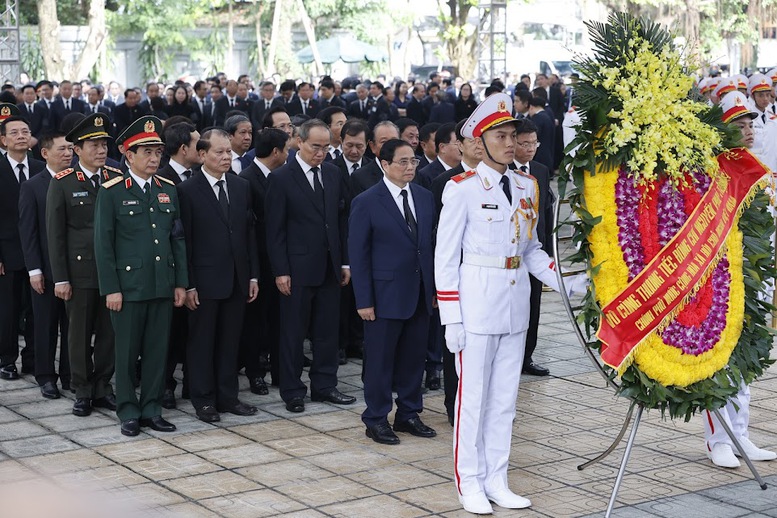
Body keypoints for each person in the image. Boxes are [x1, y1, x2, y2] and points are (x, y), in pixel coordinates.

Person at [435, 93, 586, 513]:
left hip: (515, 303)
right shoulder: (461, 189)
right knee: (473, 400)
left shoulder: (526, 185)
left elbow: (532, 248)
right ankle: (470, 482)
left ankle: (497, 478)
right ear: (480, 142)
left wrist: (565, 282)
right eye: (499, 136)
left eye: (511, 135)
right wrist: (452, 317)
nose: (508, 142)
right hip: (476, 306)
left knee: (505, 400)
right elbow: (444, 257)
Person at [93, 116, 187, 436]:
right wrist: (111, 288)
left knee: (157, 352)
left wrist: (180, 283)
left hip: (162, 283)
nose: (153, 158)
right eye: (145, 152)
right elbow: (103, 244)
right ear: (129, 156)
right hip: (129, 287)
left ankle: (152, 409)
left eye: (157, 152)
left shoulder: (168, 190)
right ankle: (128, 410)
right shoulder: (113, 191)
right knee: (127, 352)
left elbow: (177, 240)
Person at [703, 90, 777, 468]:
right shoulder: (712, 170)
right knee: (718, 356)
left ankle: (741, 434)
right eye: (739, 125)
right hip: (720, 276)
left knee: (745, 355)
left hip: (754, 273)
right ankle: (718, 438)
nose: (748, 130)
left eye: (750, 124)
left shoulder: (756, 166)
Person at [349, 139, 437, 445]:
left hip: (420, 292)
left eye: (413, 161)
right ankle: (375, 418)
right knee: (380, 361)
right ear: (384, 165)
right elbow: (359, 255)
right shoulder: (367, 201)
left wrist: (435, 289)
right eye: (403, 162)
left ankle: (409, 413)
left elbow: (429, 247)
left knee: (414, 358)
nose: (410, 167)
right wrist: (364, 300)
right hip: (383, 296)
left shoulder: (424, 197)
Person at [265, 119, 354, 413]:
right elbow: (274, 230)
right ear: (298, 142)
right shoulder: (281, 178)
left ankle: (325, 385)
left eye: (326, 147)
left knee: (327, 330)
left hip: (329, 265)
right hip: (296, 268)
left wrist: (344, 261)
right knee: (293, 332)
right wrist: (281, 271)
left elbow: (340, 219)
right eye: (315, 147)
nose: (321, 153)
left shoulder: (332, 172)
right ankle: (292, 390)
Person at [178, 128, 260, 423]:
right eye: (219, 152)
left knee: (230, 342)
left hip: (237, 279)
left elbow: (248, 234)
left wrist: (252, 276)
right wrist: (188, 284)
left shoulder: (240, 187)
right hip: (204, 282)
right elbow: (183, 241)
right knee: (202, 342)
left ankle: (228, 397)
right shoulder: (187, 190)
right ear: (202, 155)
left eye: (229, 152)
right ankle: (203, 399)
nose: (226, 157)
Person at [47, 113, 121, 417]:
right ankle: (82, 389)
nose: (101, 150)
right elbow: (56, 235)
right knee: (78, 335)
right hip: (80, 272)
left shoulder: (116, 178)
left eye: (104, 144)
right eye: (94, 145)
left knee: (109, 333)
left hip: (113, 272)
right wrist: (60, 278)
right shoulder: (63, 183)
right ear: (77, 150)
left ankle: (104, 386)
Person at [430, 119, 483, 425]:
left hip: (490, 280)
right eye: (471, 139)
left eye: (482, 138)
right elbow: (439, 239)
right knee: (457, 345)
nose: (478, 144)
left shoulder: (507, 179)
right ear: (458, 145)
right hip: (459, 278)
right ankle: (455, 405)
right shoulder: (444, 182)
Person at [18, 130, 73, 397]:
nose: (67, 154)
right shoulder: (33, 186)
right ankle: (45, 375)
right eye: (61, 149)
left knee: (73, 326)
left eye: (70, 149)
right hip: (46, 270)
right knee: (45, 325)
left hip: (74, 269)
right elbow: (27, 232)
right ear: (45, 153)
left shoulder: (77, 181)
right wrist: (35, 270)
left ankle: (69, 375)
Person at [239, 128, 290, 393]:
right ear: (275, 152)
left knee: (280, 321)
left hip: (281, 262)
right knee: (255, 323)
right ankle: (255, 373)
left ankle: (281, 373)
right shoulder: (246, 180)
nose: (288, 154)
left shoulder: (283, 177)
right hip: (258, 262)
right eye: (287, 149)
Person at [156, 122, 201, 409]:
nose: (203, 149)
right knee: (170, 335)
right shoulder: (162, 179)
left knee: (192, 332)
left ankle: (193, 383)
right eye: (198, 144)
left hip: (200, 265)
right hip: (173, 269)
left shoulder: (200, 175)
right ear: (184, 148)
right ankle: (165, 385)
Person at [0, 108, 44, 381]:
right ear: (3, 140)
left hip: (38, 252)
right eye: (14, 133)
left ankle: (33, 358)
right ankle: (6, 358)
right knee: (8, 309)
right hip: (7, 251)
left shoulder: (40, 168)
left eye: (25, 132)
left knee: (36, 309)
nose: (20, 136)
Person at [513, 119, 553, 377]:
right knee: (515, 305)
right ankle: (512, 356)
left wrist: (548, 250)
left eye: (533, 143)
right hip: (514, 252)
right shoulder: (505, 171)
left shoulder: (540, 169)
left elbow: (546, 214)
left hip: (536, 251)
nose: (530, 148)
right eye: (524, 143)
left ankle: (527, 356)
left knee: (534, 305)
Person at [350, 121, 399, 197]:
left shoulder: (411, 171)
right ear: (373, 146)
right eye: (384, 142)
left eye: (394, 141)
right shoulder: (360, 177)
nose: (390, 146)